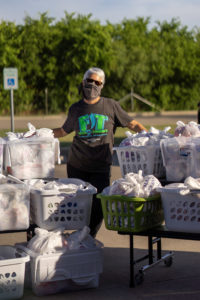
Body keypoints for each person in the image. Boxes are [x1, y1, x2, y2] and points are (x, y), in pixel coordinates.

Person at [53, 67, 147, 237]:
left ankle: (88, 237)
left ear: (102, 86)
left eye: (98, 82)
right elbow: (62, 131)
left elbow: (132, 124)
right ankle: (79, 237)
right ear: (83, 82)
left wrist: (148, 135)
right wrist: (40, 133)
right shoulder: (76, 108)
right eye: (90, 81)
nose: (93, 85)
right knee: (79, 206)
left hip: (100, 167)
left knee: (98, 207)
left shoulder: (110, 106)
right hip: (77, 165)